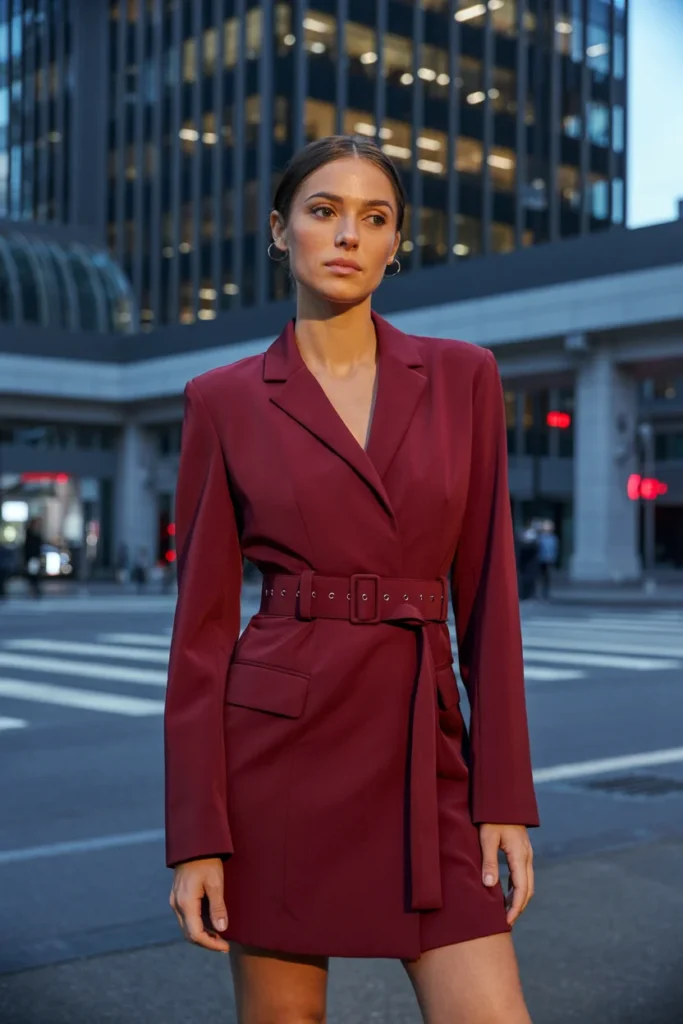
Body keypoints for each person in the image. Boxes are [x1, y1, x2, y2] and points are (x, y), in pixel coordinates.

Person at [165, 135, 539, 1024]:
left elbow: (490, 605)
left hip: (425, 750)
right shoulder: (223, 398)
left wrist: (504, 800)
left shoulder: (462, 378)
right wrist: (197, 840)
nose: (347, 236)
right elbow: (201, 636)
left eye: (374, 219)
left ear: (395, 243)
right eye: (323, 211)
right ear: (279, 230)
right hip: (278, 759)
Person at [537, 520, 559, 600]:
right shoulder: (540, 537)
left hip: (549, 560)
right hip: (541, 559)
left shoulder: (553, 538)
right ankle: (539, 592)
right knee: (540, 576)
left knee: (547, 577)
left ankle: (546, 592)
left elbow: (554, 549)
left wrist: (553, 558)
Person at [23, 516, 43, 599]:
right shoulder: (30, 535)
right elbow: (27, 548)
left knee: (35, 574)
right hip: (32, 557)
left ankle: (35, 590)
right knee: (33, 575)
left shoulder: (36, 534)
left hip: (35, 557)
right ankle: (34, 590)